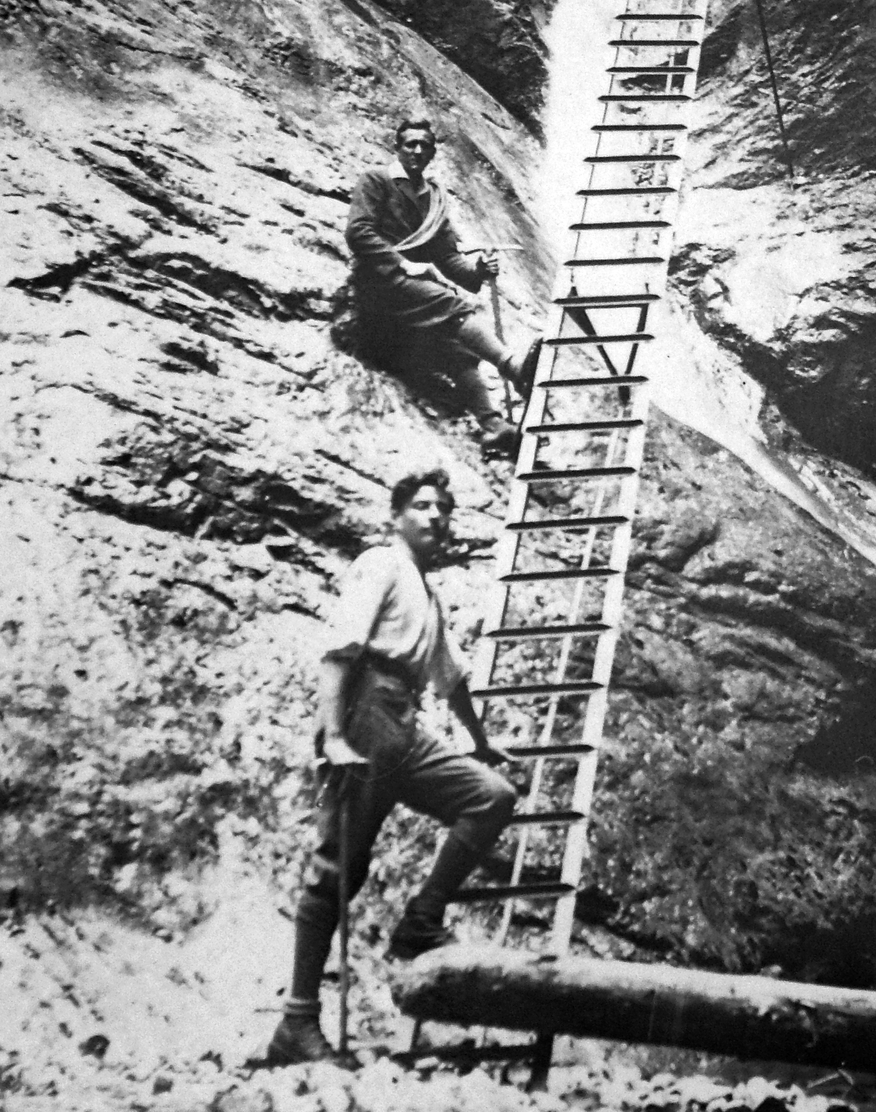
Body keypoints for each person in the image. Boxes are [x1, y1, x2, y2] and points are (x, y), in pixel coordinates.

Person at [267, 468, 519, 1066]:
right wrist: (331, 735)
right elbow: (340, 650)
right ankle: (296, 1025)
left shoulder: (426, 592)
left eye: (445, 510)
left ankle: (419, 921)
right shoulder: (380, 564)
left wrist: (479, 743)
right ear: (398, 516)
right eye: (424, 506)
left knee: (490, 796)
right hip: (366, 712)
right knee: (338, 869)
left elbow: (450, 677)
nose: (437, 518)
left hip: (405, 721)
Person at [346, 115, 539, 456]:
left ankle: (494, 427)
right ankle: (513, 367)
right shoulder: (376, 180)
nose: (417, 151)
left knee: (457, 351)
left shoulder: (433, 198)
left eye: (425, 146)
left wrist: (478, 270)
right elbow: (359, 232)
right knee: (450, 304)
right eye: (410, 144)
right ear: (398, 148)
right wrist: (403, 262)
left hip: (411, 298)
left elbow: (448, 260)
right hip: (378, 285)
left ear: (433, 153)